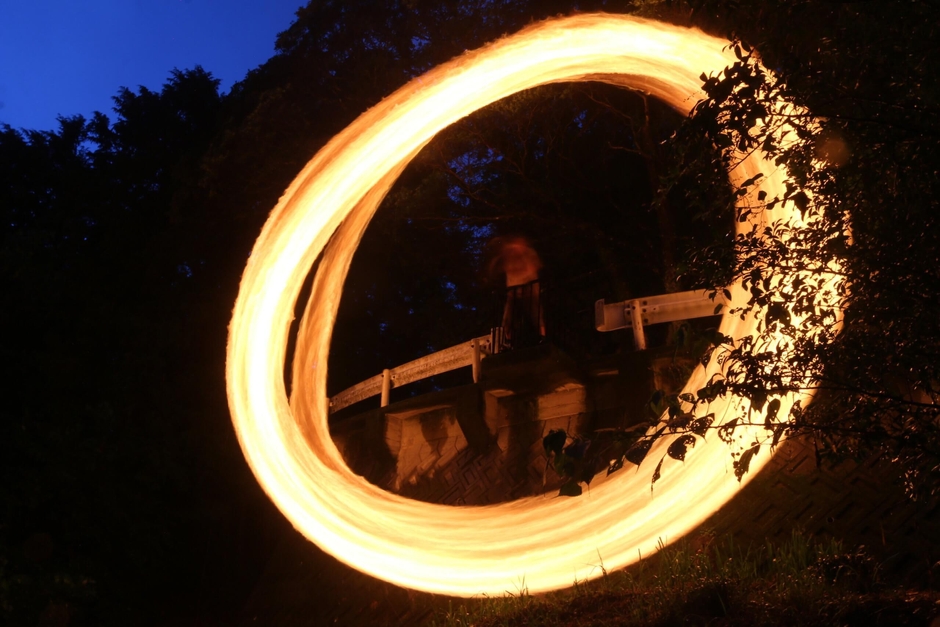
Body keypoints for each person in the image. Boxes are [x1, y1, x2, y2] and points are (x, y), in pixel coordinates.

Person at [486, 236, 545, 349]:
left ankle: (543, 336)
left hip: (529, 288)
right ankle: (507, 340)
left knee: (536, 315)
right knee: (508, 318)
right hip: (513, 291)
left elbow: (534, 267)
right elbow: (496, 268)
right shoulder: (506, 255)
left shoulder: (526, 252)